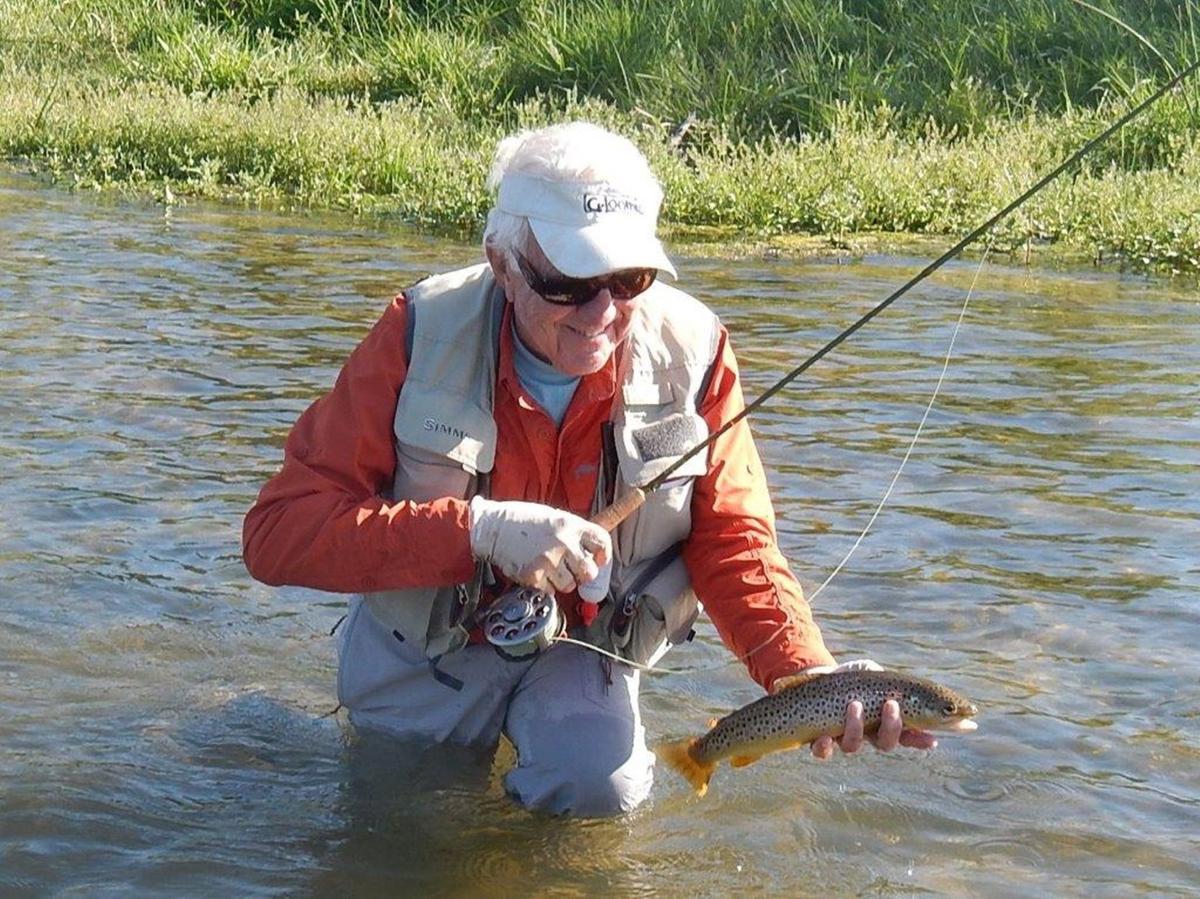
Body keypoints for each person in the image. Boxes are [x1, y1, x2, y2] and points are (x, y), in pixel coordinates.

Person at [242, 122, 935, 817]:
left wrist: (805, 676)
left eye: (629, 279)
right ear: (503, 264)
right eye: (569, 282)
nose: (603, 313)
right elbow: (278, 533)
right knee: (400, 819)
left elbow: (734, 539)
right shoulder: (418, 332)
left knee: (600, 793)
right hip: (426, 647)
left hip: (586, 649)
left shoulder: (695, 350)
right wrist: (476, 530)